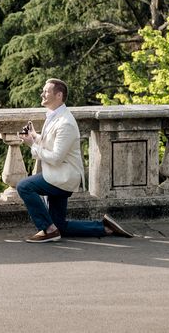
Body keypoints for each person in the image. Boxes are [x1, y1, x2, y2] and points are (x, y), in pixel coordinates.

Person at [17, 78, 134, 242]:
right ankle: (105, 228)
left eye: (46, 91)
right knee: (61, 226)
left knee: (24, 186)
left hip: (62, 178)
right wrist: (35, 137)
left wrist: (32, 146)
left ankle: (48, 230)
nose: (42, 93)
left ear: (58, 95)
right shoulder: (55, 116)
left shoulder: (66, 123)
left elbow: (56, 158)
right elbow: (53, 144)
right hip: (58, 175)